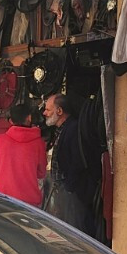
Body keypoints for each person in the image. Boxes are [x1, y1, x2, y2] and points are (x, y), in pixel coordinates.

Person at [42, 93, 104, 237]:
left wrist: (69, 187)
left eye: (48, 109)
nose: (44, 113)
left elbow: (77, 161)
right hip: (66, 192)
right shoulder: (61, 130)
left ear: (59, 111)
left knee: (77, 232)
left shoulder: (73, 129)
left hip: (75, 194)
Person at [0, 103, 48, 207]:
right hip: (29, 202)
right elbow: (41, 173)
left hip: (2, 198)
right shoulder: (39, 143)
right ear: (29, 118)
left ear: (11, 121)